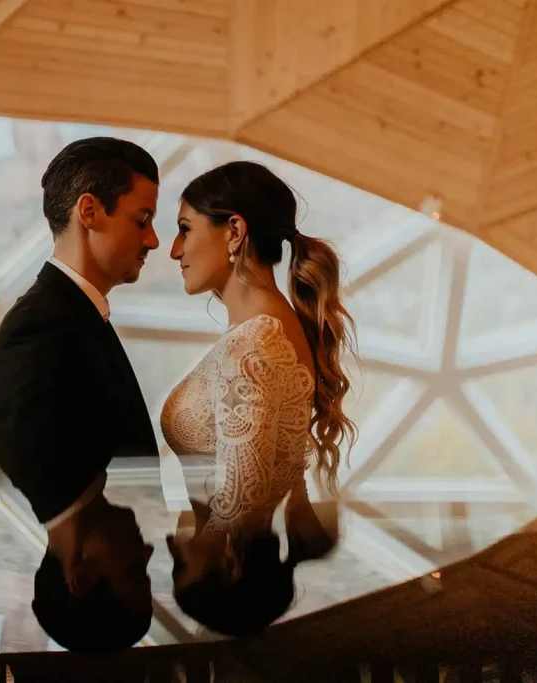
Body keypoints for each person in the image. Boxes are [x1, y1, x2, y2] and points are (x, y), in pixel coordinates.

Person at [0, 137, 161, 652]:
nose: (152, 240)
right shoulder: (39, 331)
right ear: (89, 211)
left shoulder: (62, 321)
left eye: (135, 576)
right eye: (142, 218)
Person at [160, 160, 356, 636]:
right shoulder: (265, 332)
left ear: (234, 232)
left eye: (185, 230)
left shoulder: (257, 344)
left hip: (235, 586)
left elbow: (241, 506)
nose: (174, 250)